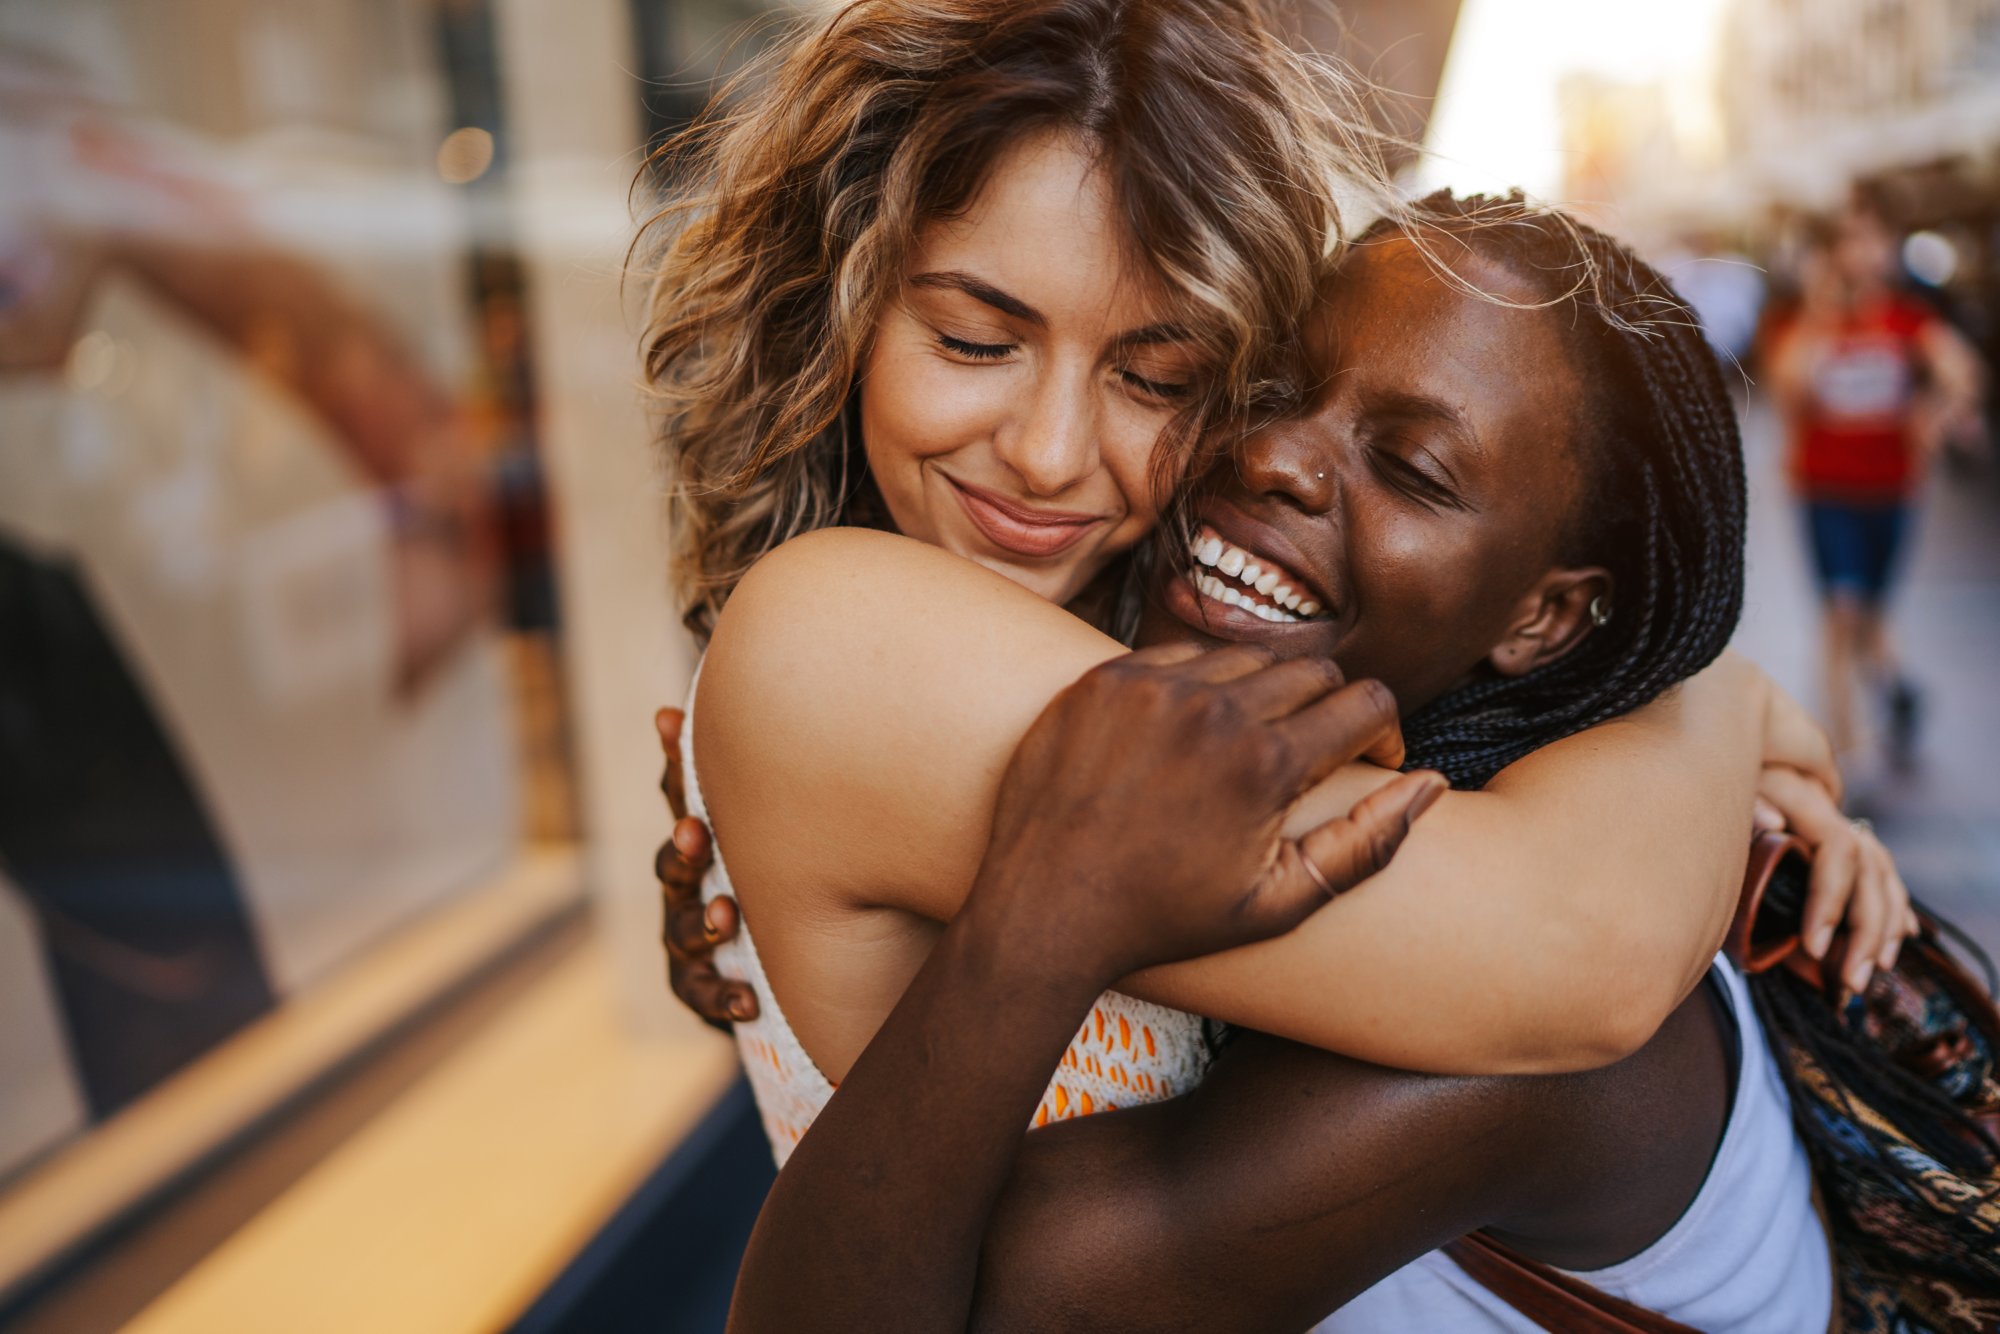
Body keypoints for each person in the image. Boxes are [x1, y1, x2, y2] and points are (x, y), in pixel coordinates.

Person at [701, 195, 1871, 1332]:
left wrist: (1047, 908)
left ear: (1543, 619)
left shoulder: (1539, 1044)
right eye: (1268, 384)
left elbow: (995, 1300)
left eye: (1411, 469)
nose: (1272, 454)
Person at [1768, 204, 1984, 767]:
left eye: (1872, 243)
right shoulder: (1800, 321)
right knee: (1842, 611)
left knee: (1872, 613)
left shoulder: (1907, 319)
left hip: (1892, 490)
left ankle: (1898, 691)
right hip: (1825, 490)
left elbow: (1963, 370)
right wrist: (1821, 312)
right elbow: (1788, 386)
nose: (1861, 256)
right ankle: (1848, 747)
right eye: (1849, 244)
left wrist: (1938, 414)